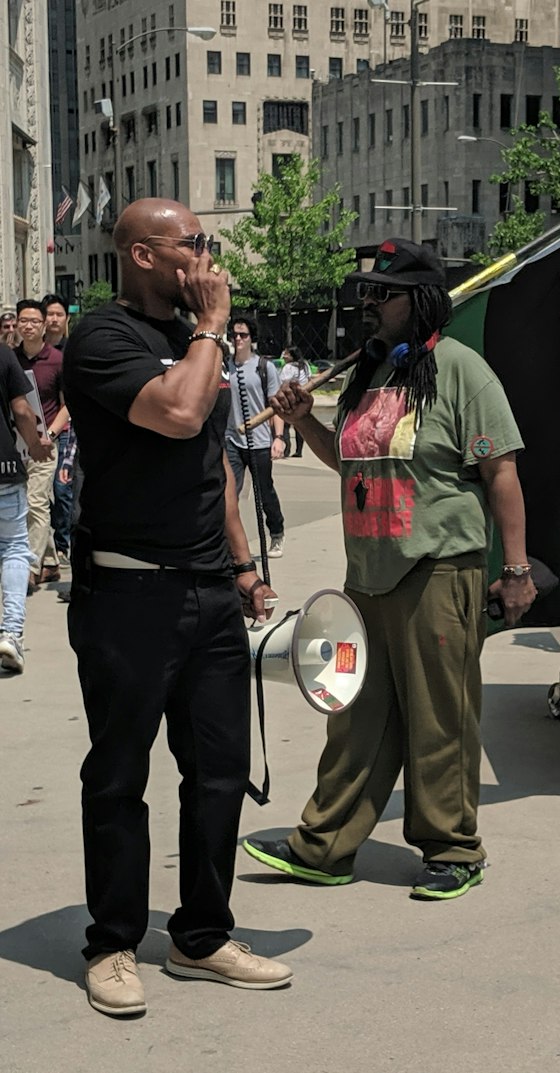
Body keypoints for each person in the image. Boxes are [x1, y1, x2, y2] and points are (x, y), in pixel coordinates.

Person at [244, 237, 536, 900]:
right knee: (356, 714)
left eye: (385, 294)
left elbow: (503, 475)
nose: (369, 304)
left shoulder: (463, 372)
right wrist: (305, 422)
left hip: (437, 569)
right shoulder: (370, 373)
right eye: (367, 293)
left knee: (440, 714)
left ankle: (453, 848)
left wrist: (514, 567)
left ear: (422, 300)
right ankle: (326, 843)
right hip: (367, 575)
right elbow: (353, 464)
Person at [63, 197, 292, 1017]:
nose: (207, 255)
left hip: (207, 591)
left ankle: (200, 936)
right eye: (192, 243)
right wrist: (213, 327)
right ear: (143, 257)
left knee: (220, 771)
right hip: (127, 591)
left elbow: (215, 466)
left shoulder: (194, 341)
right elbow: (179, 411)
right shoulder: (103, 337)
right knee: (120, 775)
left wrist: (242, 567)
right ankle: (114, 941)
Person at [0, 340, 54, 672]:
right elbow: (22, 410)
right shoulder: (4, 355)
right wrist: (34, 445)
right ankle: (10, 633)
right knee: (14, 548)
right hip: (4, 469)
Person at [12, 300, 67, 588]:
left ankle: (29, 567)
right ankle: (51, 562)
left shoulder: (57, 360)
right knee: (29, 503)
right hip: (17, 443)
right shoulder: (11, 359)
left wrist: (52, 434)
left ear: (44, 325)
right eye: (23, 320)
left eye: (34, 321)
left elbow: (66, 405)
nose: (28, 326)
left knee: (36, 502)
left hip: (46, 443)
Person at [225, 317, 286, 558]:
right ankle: (228, 543)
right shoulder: (225, 366)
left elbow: (276, 406)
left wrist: (278, 437)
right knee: (229, 491)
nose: (238, 339)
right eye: (234, 335)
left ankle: (277, 532)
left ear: (252, 338)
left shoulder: (264, 367)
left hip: (259, 441)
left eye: (243, 335)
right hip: (231, 439)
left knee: (264, 491)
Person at [42, 295, 74, 565]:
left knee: (62, 488)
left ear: (66, 319)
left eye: (58, 314)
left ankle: (62, 543)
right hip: (36, 431)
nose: (53, 319)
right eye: (49, 314)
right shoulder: (30, 352)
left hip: (67, 430)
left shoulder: (71, 351)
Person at [278, 346, 311, 457]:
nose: (284, 356)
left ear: (292, 356)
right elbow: (309, 379)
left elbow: (284, 383)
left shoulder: (288, 367)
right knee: (299, 425)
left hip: (290, 396)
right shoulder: (305, 365)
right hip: (303, 396)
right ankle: (299, 450)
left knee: (286, 424)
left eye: (286, 354)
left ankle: (287, 449)